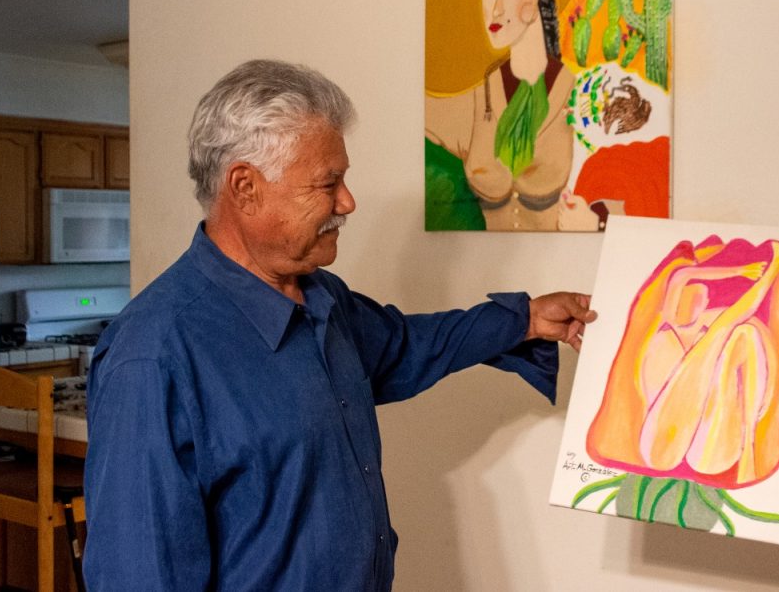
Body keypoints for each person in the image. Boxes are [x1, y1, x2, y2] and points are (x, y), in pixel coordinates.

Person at [83, 59, 596, 590]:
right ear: (245, 187)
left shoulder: (321, 297)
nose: (347, 202)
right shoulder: (152, 358)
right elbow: (137, 574)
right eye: (328, 183)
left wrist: (526, 319)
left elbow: (405, 346)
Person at [425, 0, 577, 231]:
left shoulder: (580, 94)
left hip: (568, 267)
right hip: (483, 270)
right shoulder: (480, 97)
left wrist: (599, 216)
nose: (496, 8)